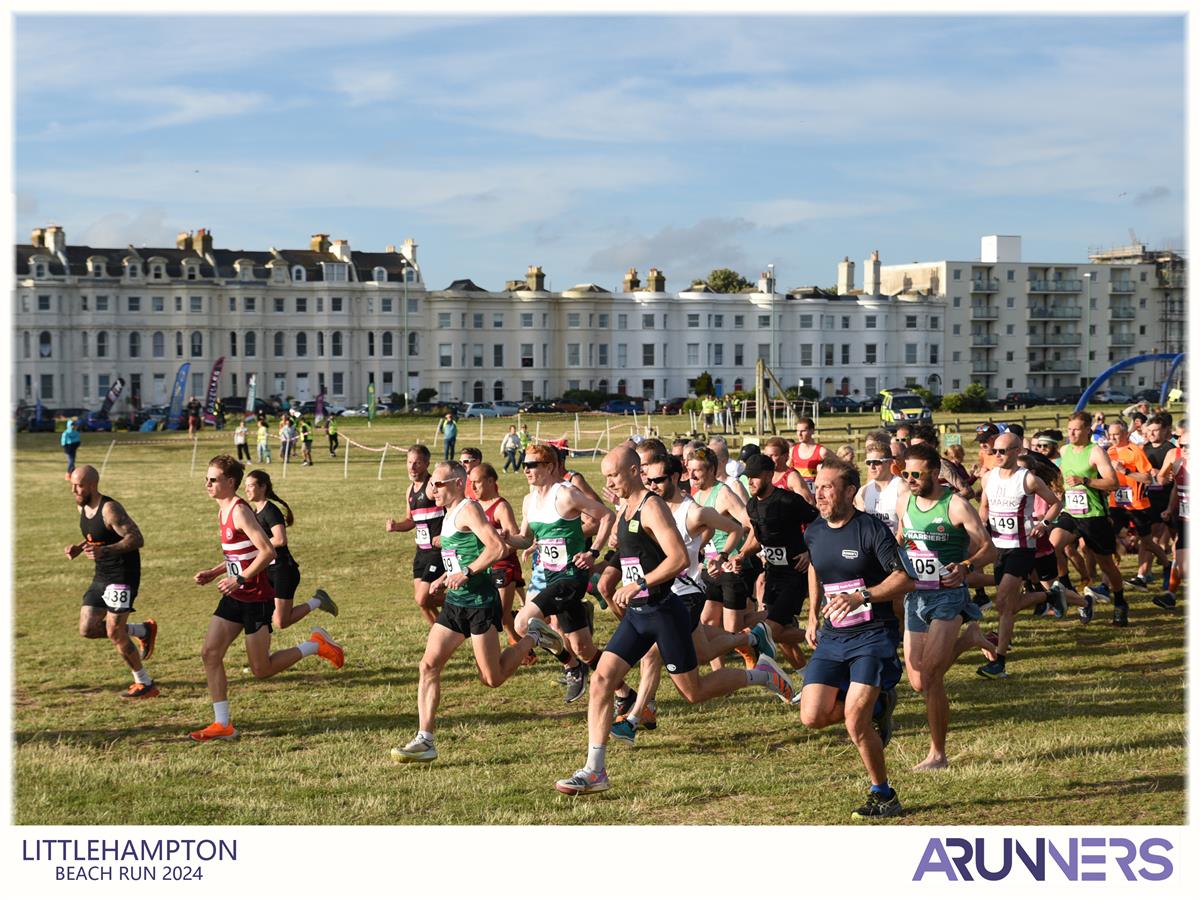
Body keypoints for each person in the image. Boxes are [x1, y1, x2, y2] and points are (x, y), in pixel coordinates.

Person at [554, 447, 792, 795]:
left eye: (614, 476)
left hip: (666, 611)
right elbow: (631, 553)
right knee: (602, 680)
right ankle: (595, 769)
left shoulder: (651, 506)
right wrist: (600, 561)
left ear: (635, 471)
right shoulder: (626, 506)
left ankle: (761, 674)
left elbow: (679, 558)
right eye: (606, 477)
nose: (609, 483)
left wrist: (639, 582)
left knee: (693, 691)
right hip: (638, 614)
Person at [391, 461, 563, 763]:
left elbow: (496, 547)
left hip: (480, 604)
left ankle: (534, 635)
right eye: (433, 484)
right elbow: (460, 553)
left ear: (459, 483)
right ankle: (425, 739)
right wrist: (446, 577)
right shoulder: (448, 513)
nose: (434, 489)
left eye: (440, 484)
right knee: (428, 666)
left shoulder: (468, 509)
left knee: (492, 679)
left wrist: (468, 572)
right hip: (456, 603)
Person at [611, 452, 779, 745]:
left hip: (685, 593)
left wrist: (722, 555)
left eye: (659, 480)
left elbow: (737, 528)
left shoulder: (693, 511)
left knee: (652, 654)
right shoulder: (648, 507)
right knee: (701, 655)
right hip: (658, 596)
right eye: (649, 480)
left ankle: (637, 716)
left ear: (676, 477)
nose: (652, 485)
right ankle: (750, 639)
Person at [190, 455, 343, 741]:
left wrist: (240, 578)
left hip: (255, 596)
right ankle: (222, 724)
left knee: (262, 669)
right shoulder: (222, 510)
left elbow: (268, 552)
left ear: (230, 482)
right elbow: (240, 553)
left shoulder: (239, 511)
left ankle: (315, 645)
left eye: (213, 479)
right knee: (210, 653)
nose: (207, 483)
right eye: (207, 478)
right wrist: (215, 572)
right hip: (235, 595)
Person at [799, 457, 914, 819]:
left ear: (850, 491)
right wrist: (813, 615)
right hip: (834, 635)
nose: (819, 493)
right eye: (817, 487)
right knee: (812, 716)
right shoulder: (815, 531)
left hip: (872, 634)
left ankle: (884, 794)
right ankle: (880, 705)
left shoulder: (871, 530)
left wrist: (862, 596)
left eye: (828, 487)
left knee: (854, 722)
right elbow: (817, 567)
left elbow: (904, 579)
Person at [895, 443, 996, 770]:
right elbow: (900, 540)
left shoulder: (956, 505)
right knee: (918, 682)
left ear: (935, 473)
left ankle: (937, 754)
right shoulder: (903, 501)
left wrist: (966, 566)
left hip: (948, 597)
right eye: (905, 473)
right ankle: (969, 640)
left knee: (933, 676)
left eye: (916, 474)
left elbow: (989, 550)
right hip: (916, 596)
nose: (909, 479)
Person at [507, 442, 616, 703]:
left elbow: (607, 516)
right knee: (584, 647)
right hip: (550, 577)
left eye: (532, 465)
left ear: (551, 466)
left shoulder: (566, 494)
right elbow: (525, 538)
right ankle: (625, 693)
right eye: (524, 464)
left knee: (522, 623)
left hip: (572, 577)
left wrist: (594, 552)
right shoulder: (528, 500)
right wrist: (506, 538)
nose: (526, 470)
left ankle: (571, 666)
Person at [64, 465, 158, 699]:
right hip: (101, 575)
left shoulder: (110, 509)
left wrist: (107, 551)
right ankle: (142, 630)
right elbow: (97, 536)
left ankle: (145, 683)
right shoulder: (82, 507)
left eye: (79, 485)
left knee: (115, 633)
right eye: (72, 485)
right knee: (87, 628)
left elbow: (136, 538)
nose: (74, 489)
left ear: (93, 485)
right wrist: (80, 547)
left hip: (122, 576)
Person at [975, 431, 1063, 677]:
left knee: (1003, 601)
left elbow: (1056, 503)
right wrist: (980, 533)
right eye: (994, 452)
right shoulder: (988, 478)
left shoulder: (1028, 479)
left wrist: (1044, 524)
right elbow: (984, 508)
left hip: (1022, 547)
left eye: (1003, 451)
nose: (997, 456)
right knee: (1008, 605)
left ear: (1017, 452)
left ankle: (999, 661)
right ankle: (1049, 596)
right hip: (998, 546)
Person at [733, 453, 820, 673]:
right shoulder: (752, 505)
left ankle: (826, 635)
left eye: (755, 477)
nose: (750, 482)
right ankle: (807, 676)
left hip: (796, 572)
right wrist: (742, 554)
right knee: (778, 632)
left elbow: (819, 523)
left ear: (769, 475)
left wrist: (810, 552)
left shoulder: (787, 500)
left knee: (771, 629)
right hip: (773, 572)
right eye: (747, 477)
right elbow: (756, 536)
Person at [244, 469, 339, 630]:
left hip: (282, 570)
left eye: (251, 485)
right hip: (267, 570)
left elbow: (280, 539)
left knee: (281, 622)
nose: (246, 490)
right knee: (265, 616)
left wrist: (260, 545)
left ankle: (318, 601)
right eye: (245, 486)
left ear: (263, 487)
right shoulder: (253, 513)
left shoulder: (270, 511)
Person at [1057, 412, 1127, 625]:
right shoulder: (1064, 449)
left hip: (1094, 515)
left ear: (1088, 429)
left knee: (1105, 563)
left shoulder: (1096, 452)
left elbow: (1112, 483)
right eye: (1069, 429)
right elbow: (1063, 477)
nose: (1072, 433)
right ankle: (1068, 591)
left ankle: (1120, 602)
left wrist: (1085, 480)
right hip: (1071, 512)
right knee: (1051, 544)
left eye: (1077, 429)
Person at [688, 447, 757, 657]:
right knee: (707, 622)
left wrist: (733, 554)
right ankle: (718, 671)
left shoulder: (724, 493)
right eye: (689, 469)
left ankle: (769, 626)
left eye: (697, 470)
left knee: (733, 629)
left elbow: (749, 523)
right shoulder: (697, 496)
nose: (691, 475)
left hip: (730, 565)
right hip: (710, 567)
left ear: (710, 470)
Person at [469, 461, 528, 649]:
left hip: (504, 568)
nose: (473, 487)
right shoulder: (474, 507)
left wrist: (498, 549)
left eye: (477, 482)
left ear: (490, 481)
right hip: (484, 568)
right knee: (495, 615)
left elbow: (514, 540)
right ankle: (527, 643)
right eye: (471, 482)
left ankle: (527, 646)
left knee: (502, 616)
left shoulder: (501, 507)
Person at [386, 444, 446, 625]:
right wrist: (396, 526)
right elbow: (411, 520)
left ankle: (462, 605)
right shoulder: (409, 491)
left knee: (422, 598)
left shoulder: (432, 486)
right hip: (421, 553)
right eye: (410, 462)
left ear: (427, 464)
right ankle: (440, 639)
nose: (412, 467)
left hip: (437, 552)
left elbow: (452, 508)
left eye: (417, 463)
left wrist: (445, 535)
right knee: (423, 603)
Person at [1106, 421, 1170, 589]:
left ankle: (1166, 564)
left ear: (1125, 434)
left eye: (1116, 434)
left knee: (1147, 542)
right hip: (1117, 504)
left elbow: (1148, 479)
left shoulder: (1135, 451)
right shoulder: (1109, 451)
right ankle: (1107, 582)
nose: (1112, 438)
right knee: (1109, 539)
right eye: (1110, 434)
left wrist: (1125, 471)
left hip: (1137, 505)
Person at [1154, 428, 1187, 609]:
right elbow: (1169, 483)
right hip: (1185, 518)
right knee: (1178, 555)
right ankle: (1171, 595)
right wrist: (1169, 508)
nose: (1183, 448)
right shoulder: (1176, 456)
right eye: (1181, 444)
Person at [854, 437, 902, 530]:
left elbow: (905, 527)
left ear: (889, 462)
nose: (872, 467)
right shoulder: (863, 491)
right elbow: (861, 525)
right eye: (868, 462)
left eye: (876, 462)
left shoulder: (901, 487)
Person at [788, 417, 830, 494]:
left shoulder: (821, 451)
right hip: (798, 494)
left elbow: (839, 466)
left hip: (816, 494)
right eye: (797, 431)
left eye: (803, 431)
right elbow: (787, 472)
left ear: (812, 431)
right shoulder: (792, 450)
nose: (799, 434)